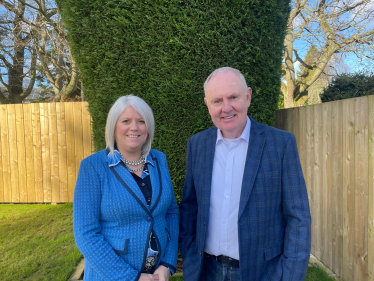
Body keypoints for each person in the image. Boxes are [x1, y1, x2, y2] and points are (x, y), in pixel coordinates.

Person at [179, 67, 311, 281]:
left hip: (263, 272)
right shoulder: (197, 145)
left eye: (233, 97)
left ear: (248, 96)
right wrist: (190, 255)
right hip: (207, 271)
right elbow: (189, 207)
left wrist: (291, 275)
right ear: (207, 105)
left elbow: (298, 218)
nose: (226, 107)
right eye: (217, 101)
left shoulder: (280, 144)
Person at [74, 95, 179, 281]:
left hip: (156, 274)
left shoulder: (159, 159)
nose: (134, 127)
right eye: (126, 121)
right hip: (111, 276)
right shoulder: (93, 167)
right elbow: (86, 234)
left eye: (141, 121)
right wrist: (131, 277)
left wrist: (167, 264)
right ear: (113, 127)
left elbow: (171, 212)